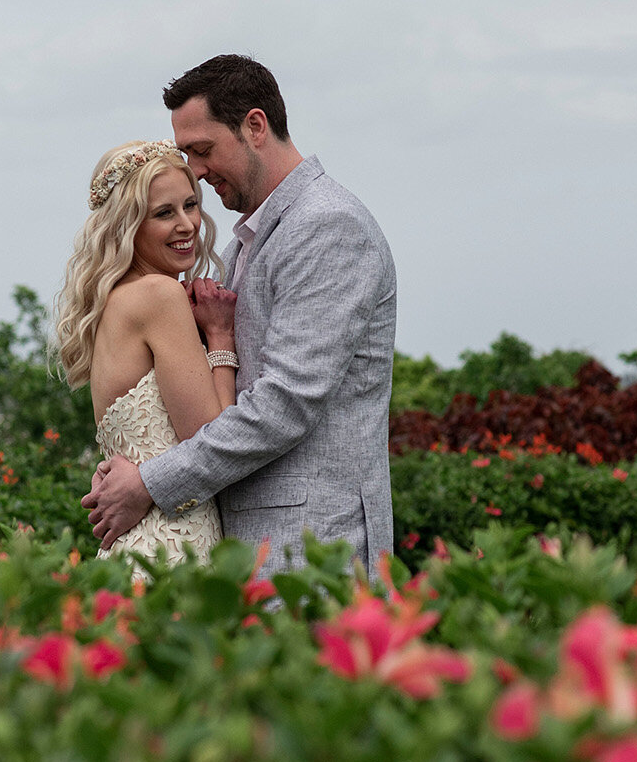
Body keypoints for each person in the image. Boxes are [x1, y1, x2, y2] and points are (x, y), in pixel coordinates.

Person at [81, 55, 399, 575]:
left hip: (309, 547)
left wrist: (149, 481)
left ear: (255, 126)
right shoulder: (245, 245)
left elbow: (286, 402)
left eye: (202, 151)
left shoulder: (329, 227)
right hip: (238, 549)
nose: (198, 174)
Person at [52, 139, 240, 570]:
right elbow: (212, 438)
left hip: (134, 547)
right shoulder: (159, 295)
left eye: (190, 205)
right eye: (163, 213)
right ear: (127, 226)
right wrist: (221, 338)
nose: (188, 225)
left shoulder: (111, 304)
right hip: (174, 546)